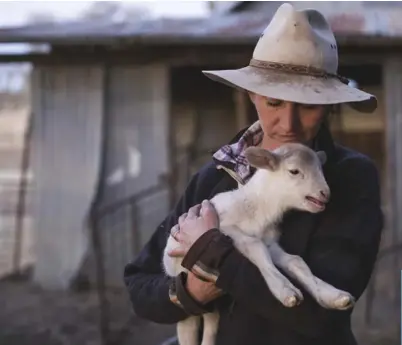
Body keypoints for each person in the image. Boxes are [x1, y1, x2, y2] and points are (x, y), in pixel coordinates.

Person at [123, 3, 384, 345]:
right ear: (252, 94)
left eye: (307, 106)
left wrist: (214, 254)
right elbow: (141, 286)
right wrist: (190, 292)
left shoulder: (350, 178)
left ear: (329, 107)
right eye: (274, 102)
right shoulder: (214, 177)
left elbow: (322, 317)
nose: (287, 124)